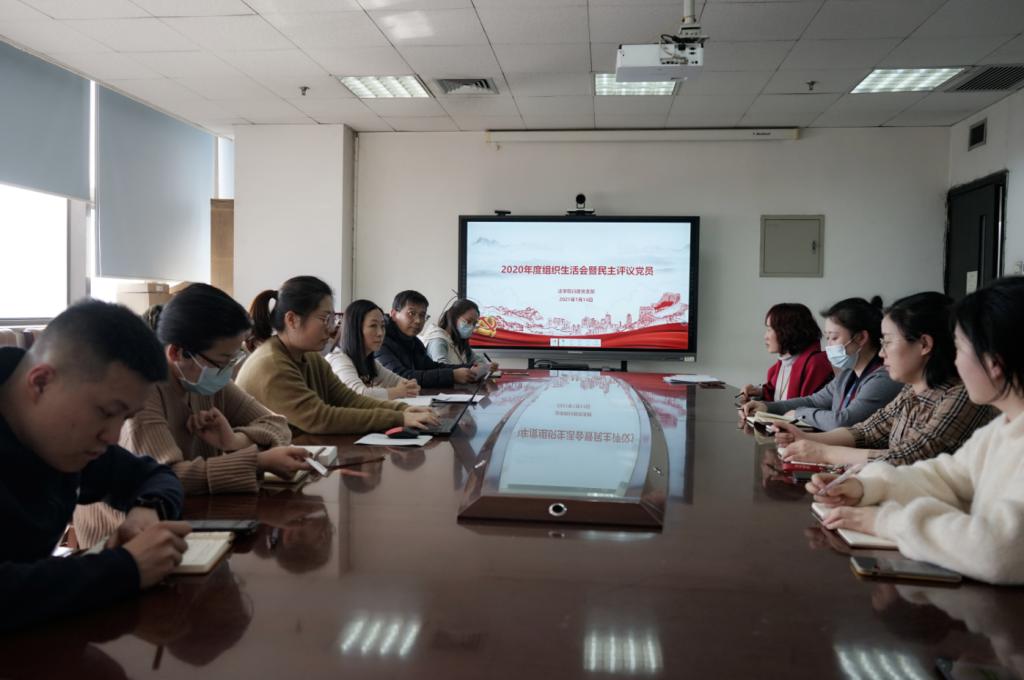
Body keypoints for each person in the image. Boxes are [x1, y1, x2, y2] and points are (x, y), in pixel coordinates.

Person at [810, 277, 1024, 585]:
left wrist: (885, 522)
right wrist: (865, 487)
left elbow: (999, 550)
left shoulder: (968, 403)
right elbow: (946, 476)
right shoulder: (1001, 430)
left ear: (994, 363)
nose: (954, 359)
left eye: (959, 348)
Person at [0, 300, 190, 632]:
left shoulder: (59, 435)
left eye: (125, 418)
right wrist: (125, 569)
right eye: (106, 412)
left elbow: (154, 474)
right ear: (40, 382)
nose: (112, 437)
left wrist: (147, 510)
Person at [74, 284, 311, 548]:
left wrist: (234, 441)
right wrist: (256, 462)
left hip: (195, 516)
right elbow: (166, 476)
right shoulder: (143, 391)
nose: (227, 371)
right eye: (222, 360)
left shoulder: (207, 378)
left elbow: (277, 424)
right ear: (177, 353)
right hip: (125, 538)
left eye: (233, 359)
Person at [776, 292, 995, 467]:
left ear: (924, 344)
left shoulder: (960, 395)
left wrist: (824, 452)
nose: (882, 353)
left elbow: (908, 458)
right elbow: (867, 431)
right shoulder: (911, 390)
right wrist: (804, 438)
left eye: (888, 342)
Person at [236, 276, 438, 434]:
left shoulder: (310, 357)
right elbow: (321, 418)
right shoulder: (272, 364)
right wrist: (398, 418)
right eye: (325, 319)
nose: (332, 328)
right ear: (292, 320)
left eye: (333, 319)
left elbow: (348, 399)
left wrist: (402, 410)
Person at [742, 297, 901, 430]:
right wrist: (766, 407)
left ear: (860, 338)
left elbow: (843, 421)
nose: (829, 345)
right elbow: (814, 401)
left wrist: (798, 414)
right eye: (828, 337)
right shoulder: (848, 373)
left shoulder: (883, 378)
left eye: (834, 337)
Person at [376, 290, 478, 389]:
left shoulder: (414, 342)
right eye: (411, 313)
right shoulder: (380, 341)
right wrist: (451, 376)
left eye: (422, 315)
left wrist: (470, 368)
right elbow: (399, 377)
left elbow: (431, 367)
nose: (418, 321)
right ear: (394, 314)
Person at [738, 302, 832, 403]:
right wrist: (758, 391)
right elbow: (777, 394)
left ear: (788, 331)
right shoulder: (785, 361)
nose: (765, 336)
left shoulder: (815, 363)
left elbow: (808, 404)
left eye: (769, 329)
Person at [326, 299, 420, 400]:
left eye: (382, 326)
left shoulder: (368, 361)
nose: (380, 333)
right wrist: (398, 392)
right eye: (373, 326)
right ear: (355, 329)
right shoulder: (338, 358)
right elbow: (358, 395)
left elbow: (399, 382)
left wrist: (410, 386)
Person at [421, 298, 498, 370]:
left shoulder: (459, 341)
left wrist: (487, 366)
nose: (472, 327)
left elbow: (476, 360)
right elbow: (443, 370)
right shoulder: (437, 340)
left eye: (474, 324)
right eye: (468, 321)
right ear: (454, 317)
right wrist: (472, 368)